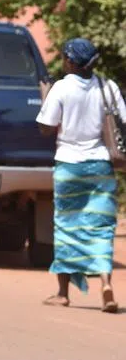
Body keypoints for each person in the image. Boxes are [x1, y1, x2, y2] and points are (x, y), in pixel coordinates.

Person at [36, 38, 120, 313]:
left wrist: (45, 96)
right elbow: (122, 122)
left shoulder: (61, 87)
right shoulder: (108, 87)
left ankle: (63, 293)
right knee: (100, 226)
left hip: (69, 166)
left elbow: (46, 128)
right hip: (100, 165)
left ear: (72, 62)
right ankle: (106, 283)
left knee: (67, 227)